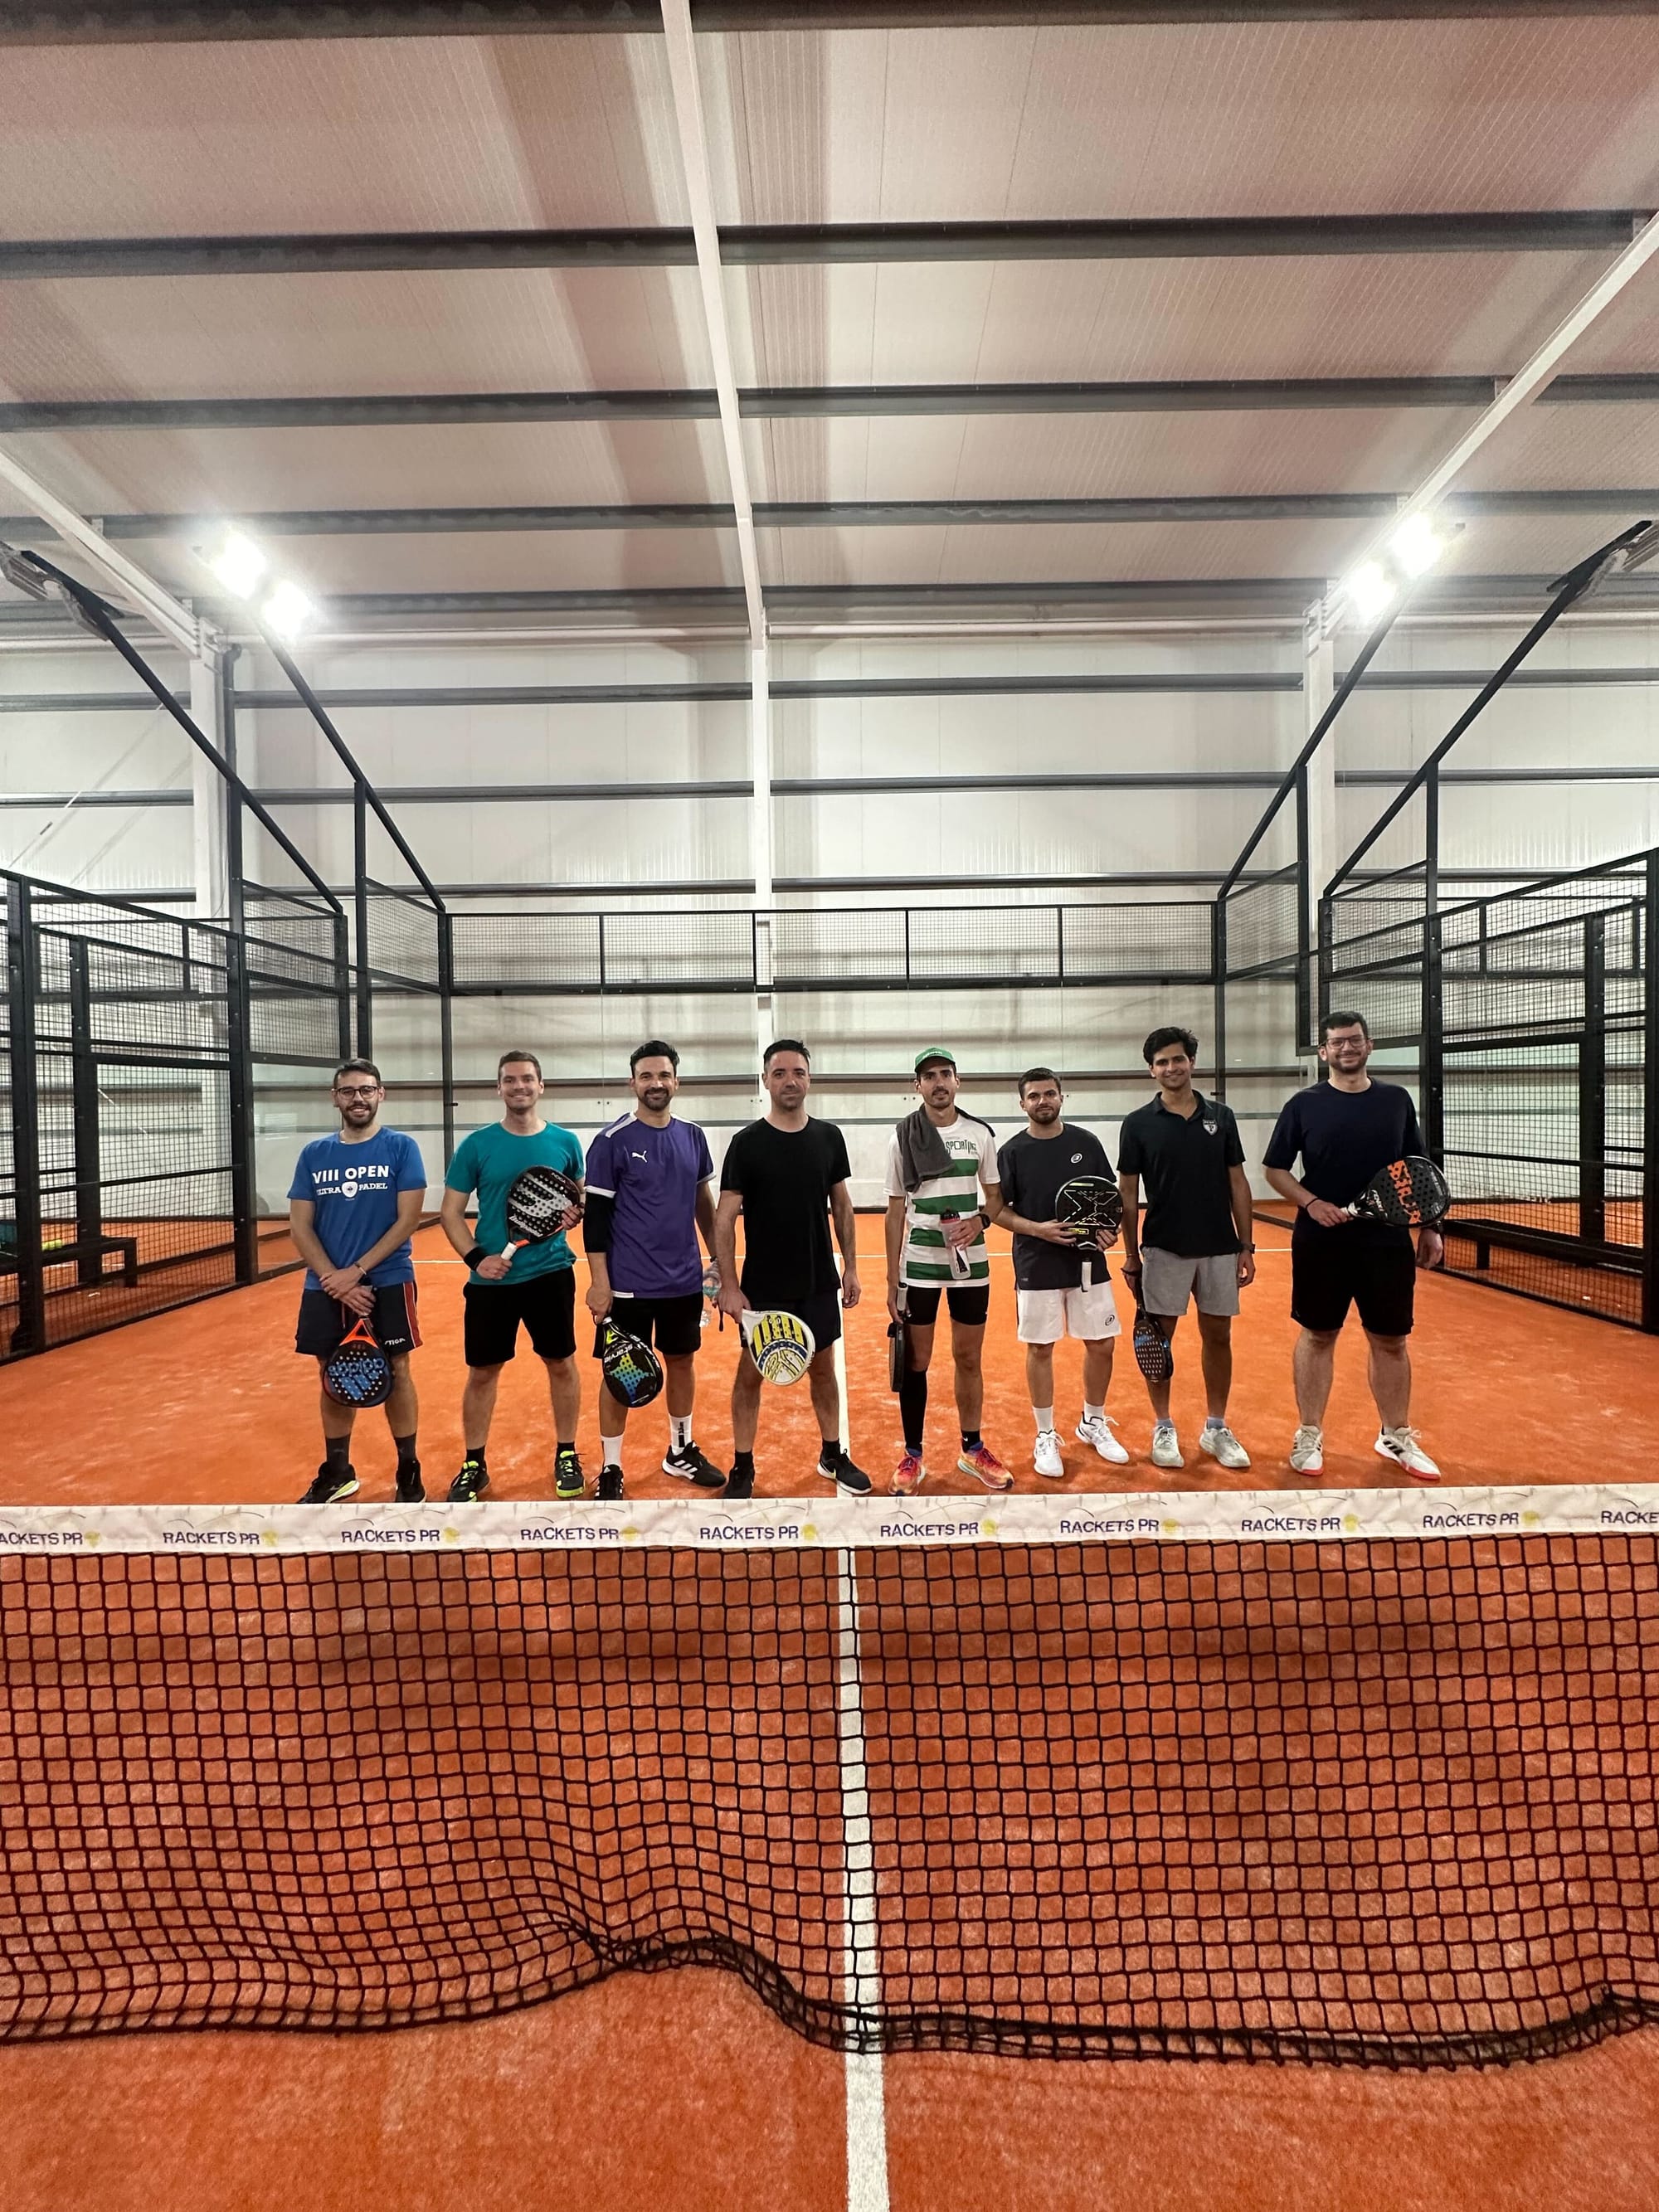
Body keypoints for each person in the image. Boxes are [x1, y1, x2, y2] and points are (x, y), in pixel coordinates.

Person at [1262, 1010, 1445, 1482]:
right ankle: (1309, 1433)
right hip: (1321, 1240)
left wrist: (1431, 1227)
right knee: (1318, 1335)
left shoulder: (1396, 1101)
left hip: (1386, 1242)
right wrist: (1312, 1203)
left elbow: (1417, 1169)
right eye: (1338, 1042)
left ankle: (1395, 1434)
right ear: (1324, 1051)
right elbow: (1275, 1169)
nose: (1347, 1048)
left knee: (1391, 1340)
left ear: (1369, 1045)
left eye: (1355, 1040)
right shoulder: (1303, 1105)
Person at [713, 1039, 871, 1499]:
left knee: (823, 1370)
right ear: (765, 1080)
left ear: (809, 1079)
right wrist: (730, 1285)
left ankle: (832, 1454)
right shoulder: (746, 1144)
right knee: (750, 1375)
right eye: (779, 1073)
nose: (789, 1080)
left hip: (818, 1281)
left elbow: (842, 1207)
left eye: (798, 1072)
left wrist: (851, 1268)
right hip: (763, 1287)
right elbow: (724, 1218)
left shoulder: (829, 1137)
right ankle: (743, 1465)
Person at [440, 1049, 586, 1503]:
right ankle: (474, 1464)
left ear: (541, 1086)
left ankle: (567, 1453)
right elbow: (450, 1213)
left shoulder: (566, 1142)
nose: (519, 1086)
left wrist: (576, 1213)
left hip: (551, 1274)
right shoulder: (476, 1145)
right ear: (498, 1088)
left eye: (527, 1079)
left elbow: (575, 1198)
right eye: (510, 1080)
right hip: (491, 1284)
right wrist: (476, 1259)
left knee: (560, 1364)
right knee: (483, 1373)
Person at [584, 1040, 722, 1500]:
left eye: (663, 1075)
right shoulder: (611, 1141)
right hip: (628, 1286)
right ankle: (611, 1466)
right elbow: (596, 1220)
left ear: (676, 1081)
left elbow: (703, 1203)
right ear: (633, 1083)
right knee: (618, 1372)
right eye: (646, 1076)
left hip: (683, 1281)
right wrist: (600, 1283)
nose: (656, 1083)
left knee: (682, 1362)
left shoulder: (693, 1136)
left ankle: (680, 1451)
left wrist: (718, 1260)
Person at [288, 1057, 428, 1504]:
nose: (358, 1098)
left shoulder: (401, 1148)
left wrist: (357, 1272)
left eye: (366, 1089)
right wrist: (336, 1279)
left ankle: (408, 1468)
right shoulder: (314, 1155)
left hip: (388, 1280)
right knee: (332, 1371)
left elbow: (408, 1220)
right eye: (348, 1091)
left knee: (398, 1369)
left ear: (380, 1094)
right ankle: (338, 1471)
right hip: (326, 1286)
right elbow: (300, 1226)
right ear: (335, 1098)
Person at [1117, 1026, 1255, 1473]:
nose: (1171, 1068)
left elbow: (1238, 1182)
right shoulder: (1137, 1124)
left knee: (1219, 1337)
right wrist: (1131, 1254)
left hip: (1219, 1247)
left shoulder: (1222, 1117)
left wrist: (1246, 1245)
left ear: (1192, 1062)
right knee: (1159, 1341)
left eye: (1178, 1059)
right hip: (1164, 1249)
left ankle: (1216, 1427)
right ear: (1151, 1070)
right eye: (1162, 1062)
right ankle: (1163, 1425)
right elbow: (1127, 1192)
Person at [884, 1046, 1012, 1495]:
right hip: (920, 1264)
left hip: (971, 1264)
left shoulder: (980, 1134)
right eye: (929, 1076)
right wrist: (892, 1280)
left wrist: (980, 1221)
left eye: (945, 1074)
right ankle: (913, 1455)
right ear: (916, 1086)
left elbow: (995, 1199)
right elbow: (895, 1210)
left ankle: (972, 1449)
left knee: (969, 1358)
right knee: (916, 1362)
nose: (938, 1082)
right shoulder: (903, 1136)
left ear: (958, 1081)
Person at [994, 1067, 1128, 1478]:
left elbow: (1109, 1199)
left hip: (1088, 1263)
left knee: (1101, 1344)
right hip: (1036, 1264)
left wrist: (1111, 1231)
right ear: (1022, 1103)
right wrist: (1039, 1230)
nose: (1043, 1101)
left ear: (1061, 1097)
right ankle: (1045, 1434)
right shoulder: (1012, 1152)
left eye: (1049, 1094)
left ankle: (1093, 1421)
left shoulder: (1086, 1143)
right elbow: (996, 1210)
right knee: (1040, 1349)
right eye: (1034, 1096)